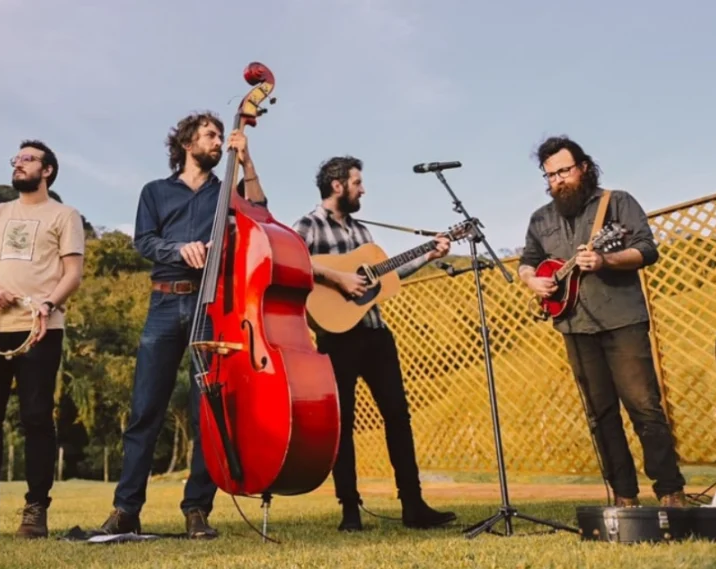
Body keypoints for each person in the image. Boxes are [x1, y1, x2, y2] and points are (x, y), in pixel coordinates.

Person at [97, 112, 268, 539]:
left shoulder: (228, 190)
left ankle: (197, 510)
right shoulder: (155, 191)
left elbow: (262, 215)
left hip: (214, 307)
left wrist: (246, 163)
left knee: (206, 412)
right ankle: (125, 509)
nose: (217, 141)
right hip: (163, 303)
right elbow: (144, 240)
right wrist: (180, 248)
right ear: (187, 143)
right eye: (209, 135)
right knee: (144, 411)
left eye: (218, 135)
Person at [517, 135, 686, 507]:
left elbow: (646, 249)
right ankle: (624, 496)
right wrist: (533, 280)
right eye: (550, 175)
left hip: (621, 319)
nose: (558, 180)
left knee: (644, 406)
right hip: (574, 326)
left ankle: (670, 491)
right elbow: (527, 261)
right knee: (600, 413)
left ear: (584, 167)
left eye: (564, 170)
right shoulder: (540, 218)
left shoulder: (617, 203)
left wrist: (606, 261)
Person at [292, 156, 458, 532]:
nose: (362, 189)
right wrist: (337, 278)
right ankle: (350, 510)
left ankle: (413, 505)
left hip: (376, 332)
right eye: (357, 182)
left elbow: (384, 277)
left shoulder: (363, 233)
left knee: (398, 416)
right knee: (343, 423)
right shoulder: (306, 225)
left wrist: (428, 255)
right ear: (337, 185)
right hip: (336, 336)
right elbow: (290, 262)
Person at [0, 140, 86, 539]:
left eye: (28, 160)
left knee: (37, 419)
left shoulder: (65, 215)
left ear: (48, 170)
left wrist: (47, 305)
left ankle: (35, 510)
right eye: (16, 160)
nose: (19, 165)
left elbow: (72, 273)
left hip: (42, 329)